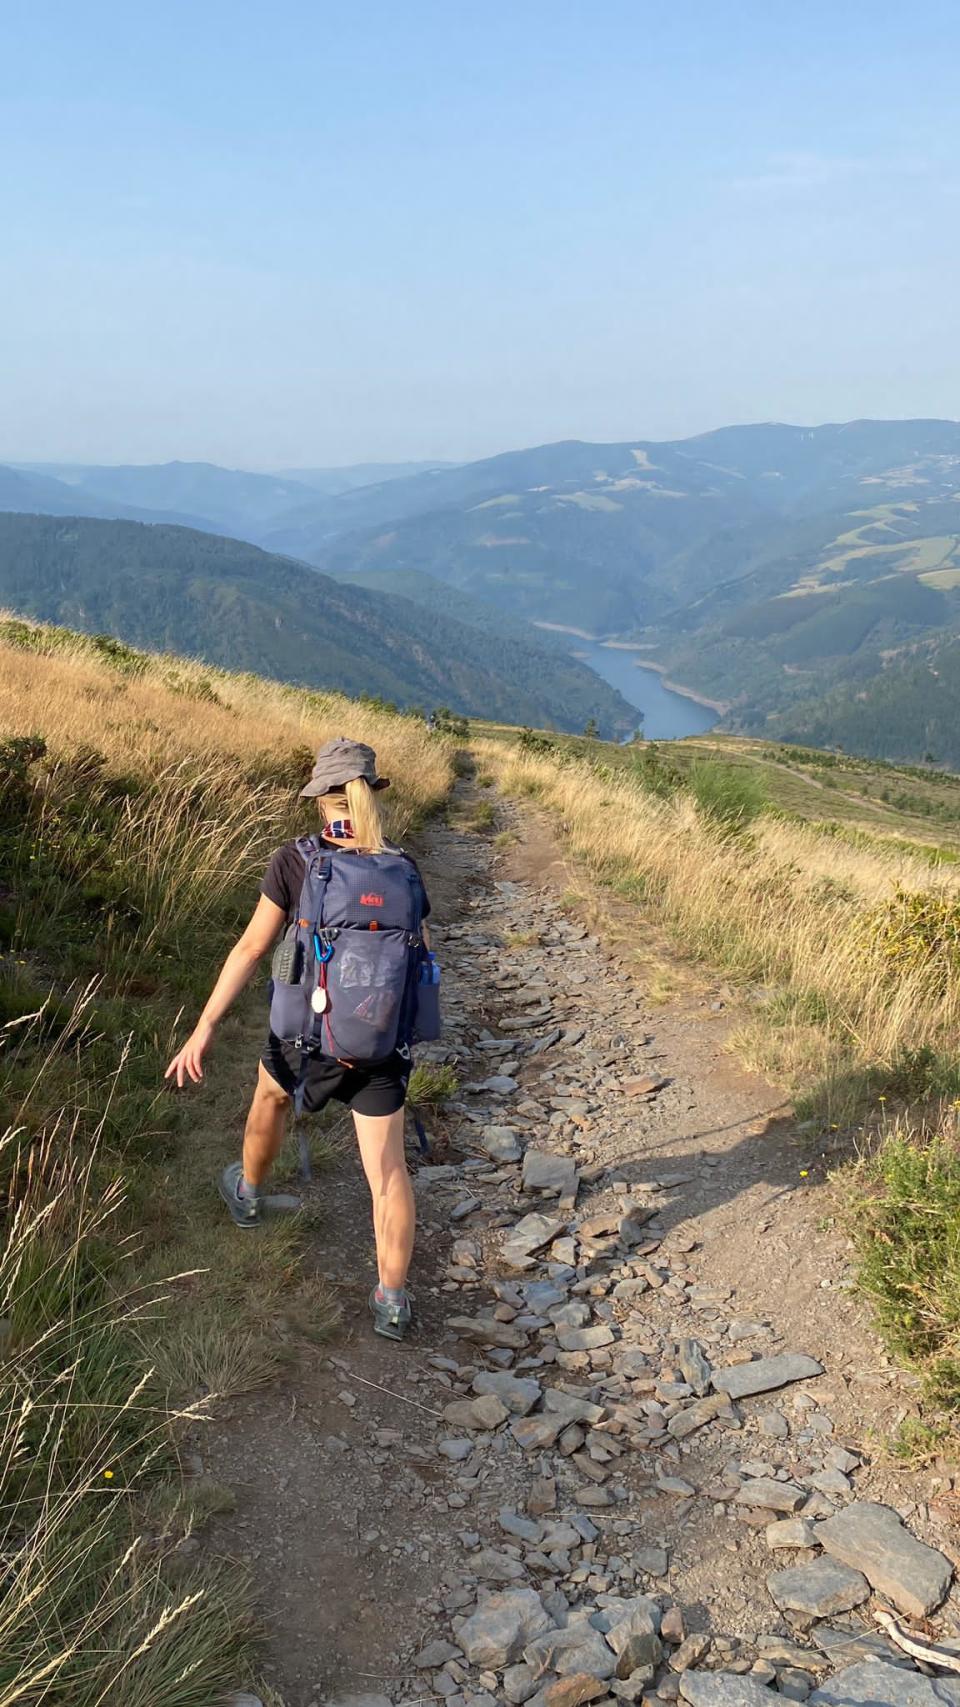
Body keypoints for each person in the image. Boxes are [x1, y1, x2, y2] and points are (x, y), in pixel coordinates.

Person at [165, 737, 430, 1341]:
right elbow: (422, 963)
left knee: (270, 1100)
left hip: (304, 1038)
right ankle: (391, 1299)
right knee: (388, 1172)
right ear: (374, 794)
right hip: (382, 1042)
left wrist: (204, 1026)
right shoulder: (406, 871)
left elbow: (253, 948)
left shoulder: (295, 861)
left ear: (320, 799)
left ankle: (250, 1194)